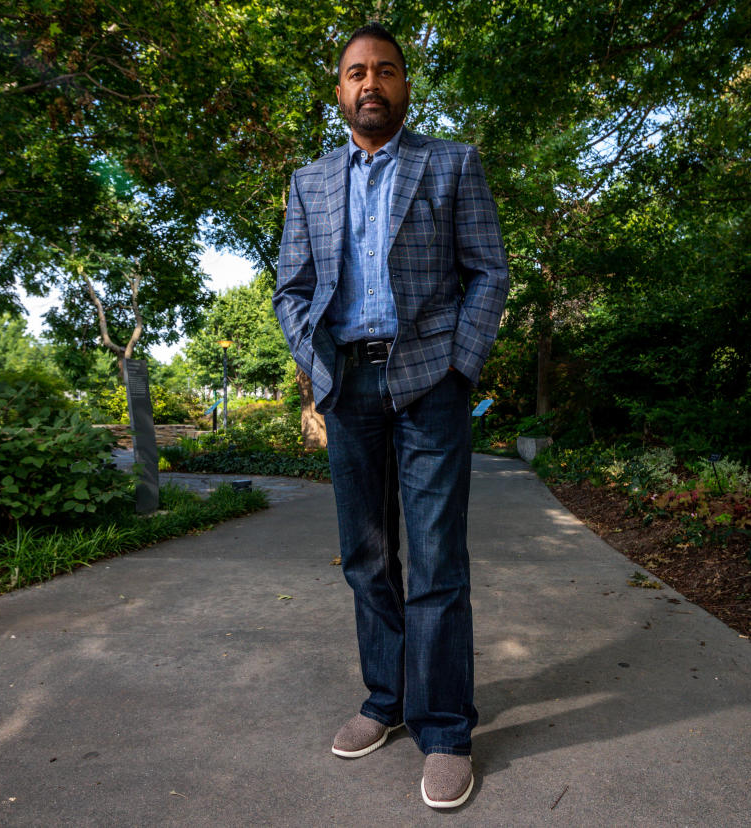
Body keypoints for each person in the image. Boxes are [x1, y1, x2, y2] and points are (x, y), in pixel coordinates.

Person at [272, 21, 508, 810]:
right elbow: (291, 290)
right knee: (366, 558)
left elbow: (488, 272)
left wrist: (458, 364)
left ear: (407, 85)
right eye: (355, 73)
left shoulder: (452, 164)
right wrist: (317, 366)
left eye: (385, 71)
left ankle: (443, 728)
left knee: (437, 563)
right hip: (349, 385)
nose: (369, 83)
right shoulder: (309, 183)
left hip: (428, 384)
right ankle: (386, 700)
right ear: (338, 90)